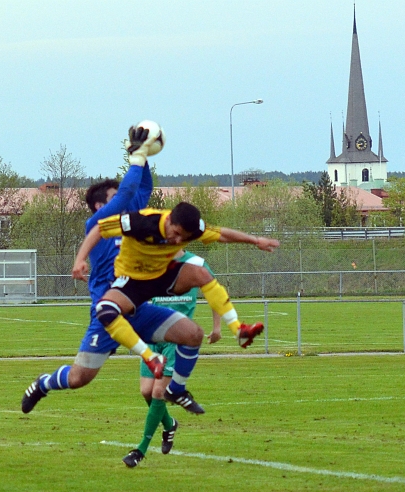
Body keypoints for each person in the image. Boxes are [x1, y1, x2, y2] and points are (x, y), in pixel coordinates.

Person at [20, 126, 206, 415]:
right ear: (98, 206)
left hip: (138, 308)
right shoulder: (98, 221)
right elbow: (130, 190)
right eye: (113, 196)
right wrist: (136, 154)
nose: (121, 198)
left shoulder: (129, 219)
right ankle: (42, 384)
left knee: (192, 333)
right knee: (79, 378)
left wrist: (143, 158)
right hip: (108, 314)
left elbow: (142, 188)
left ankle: (177, 390)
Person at [71, 202, 279, 414]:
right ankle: (150, 357)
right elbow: (99, 229)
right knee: (105, 309)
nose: (179, 241)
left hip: (161, 276)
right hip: (132, 281)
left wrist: (255, 240)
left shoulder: (192, 229)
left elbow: (221, 234)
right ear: (169, 219)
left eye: (185, 237)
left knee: (202, 274)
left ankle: (238, 330)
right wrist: (80, 259)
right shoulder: (143, 221)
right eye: (177, 233)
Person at [122, 250, 221, 468]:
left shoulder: (196, 264)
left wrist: (217, 327)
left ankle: (140, 450)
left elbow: (215, 293)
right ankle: (169, 423)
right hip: (153, 336)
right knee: (146, 391)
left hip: (177, 339)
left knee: (159, 392)